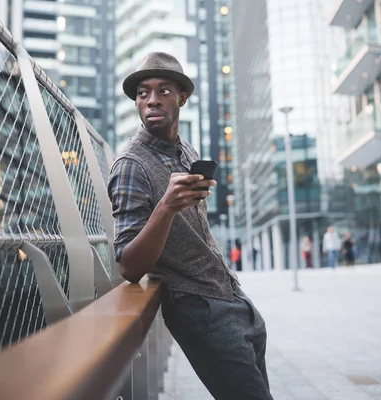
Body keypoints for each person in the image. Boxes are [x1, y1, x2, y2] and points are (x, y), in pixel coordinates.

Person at [108, 53, 274, 400]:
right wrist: (167, 205)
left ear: (182, 98)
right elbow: (128, 265)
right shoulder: (130, 166)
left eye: (163, 91)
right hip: (197, 307)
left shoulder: (185, 150)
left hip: (228, 293)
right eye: (143, 93)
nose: (151, 100)